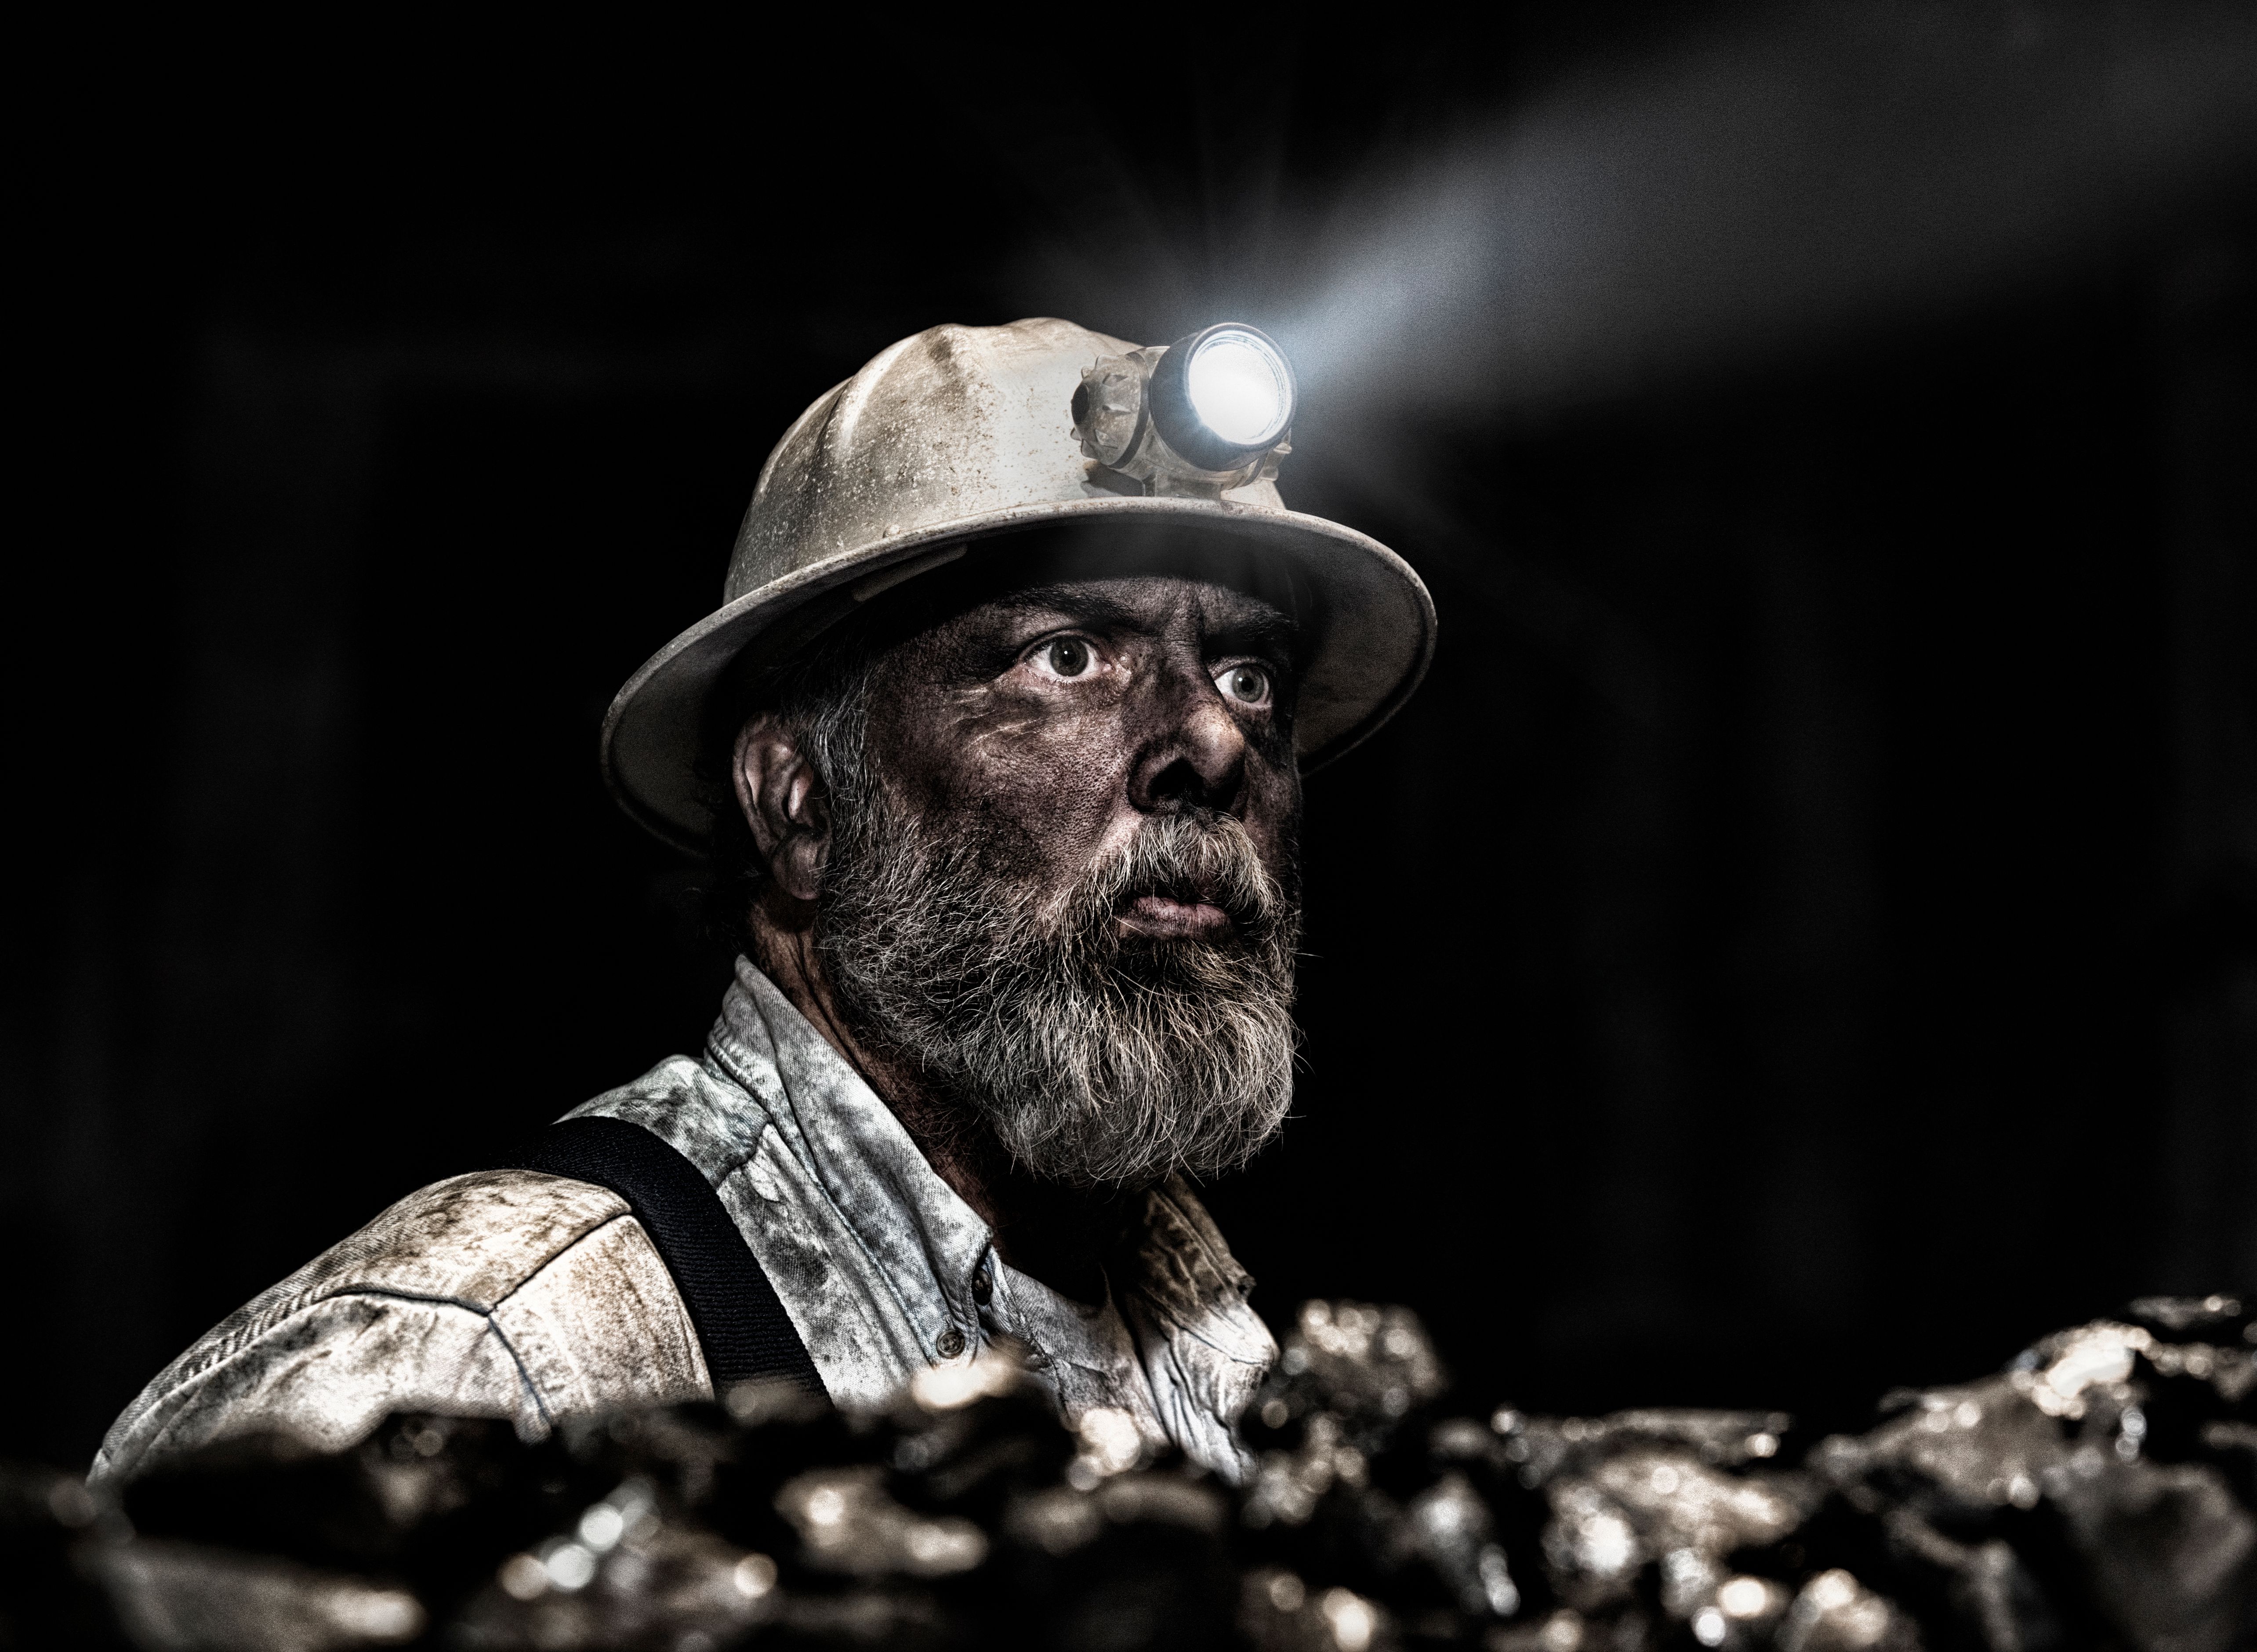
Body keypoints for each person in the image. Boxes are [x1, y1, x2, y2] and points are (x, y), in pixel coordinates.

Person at [93, 317, 1434, 1485]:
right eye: (1067, 658)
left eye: (1251, 675)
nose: (1209, 742)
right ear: (799, 804)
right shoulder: (489, 1362)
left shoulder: (1226, 1365)